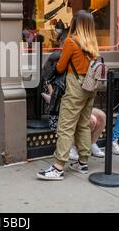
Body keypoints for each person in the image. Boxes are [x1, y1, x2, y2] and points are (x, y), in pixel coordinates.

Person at [37, 10, 100, 180]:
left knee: (65, 127)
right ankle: (83, 162)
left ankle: (58, 168)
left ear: (75, 24)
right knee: (83, 124)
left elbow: (60, 67)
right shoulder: (93, 45)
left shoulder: (71, 42)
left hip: (75, 87)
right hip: (90, 87)